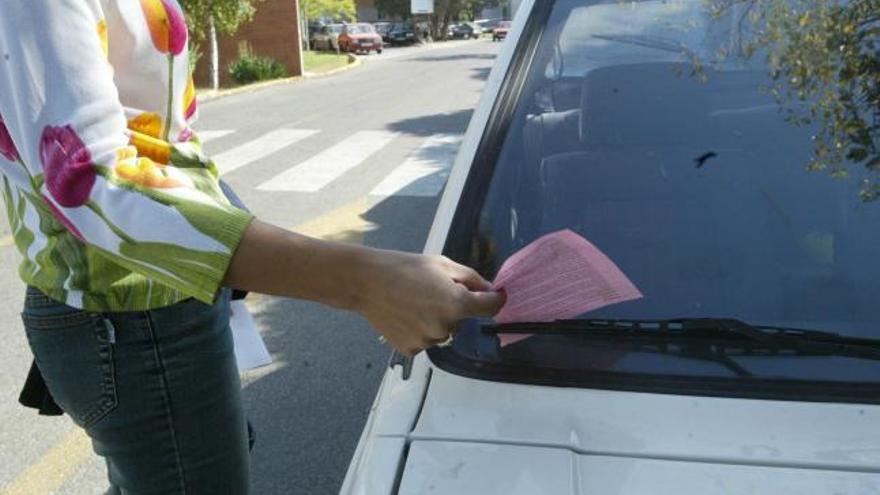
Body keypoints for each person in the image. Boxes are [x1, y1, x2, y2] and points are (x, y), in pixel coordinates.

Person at [0, 1, 504, 493]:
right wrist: (363, 281)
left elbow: (165, 146)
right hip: (131, 317)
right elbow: (87, 180)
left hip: (162, 303)